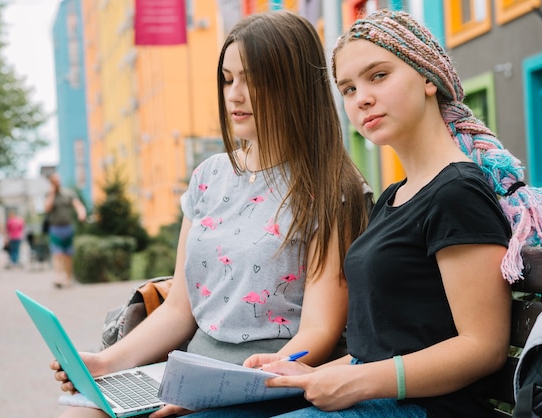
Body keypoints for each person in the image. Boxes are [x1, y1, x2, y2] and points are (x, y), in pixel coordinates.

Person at [51, 10, 371, 418]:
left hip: (269, 382)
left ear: (293, 84)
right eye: (227, 78)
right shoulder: (209, 177)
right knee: (78, 414)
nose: (235, 94)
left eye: (252, 78)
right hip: (188, 374)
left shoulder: (333, 189)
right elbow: (180, 309)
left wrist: (222, 390)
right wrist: (105, 363)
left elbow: (319, 331)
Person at [257, 10, 542, 418]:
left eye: (377, 75)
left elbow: (481, 347)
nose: (360, 97)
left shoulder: (456, 192)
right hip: (378, 401)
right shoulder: (394, 197)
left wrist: (354, 381)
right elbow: (381, 351)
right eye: (347, 88)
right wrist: (296, 375)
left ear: (428, 78)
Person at [44, 172, 87, 288]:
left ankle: (68, 278)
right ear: (51, 182)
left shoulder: (68, 193)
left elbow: (78, 205)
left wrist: (81, 213)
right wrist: (52, 193)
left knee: (68, 255)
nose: (57, 182)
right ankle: (58, 278)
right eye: (54, 181)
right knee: (57, 254)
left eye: (58, 180)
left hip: (68, 228)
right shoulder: (49, 195)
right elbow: (47, 208)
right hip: (55, 229)